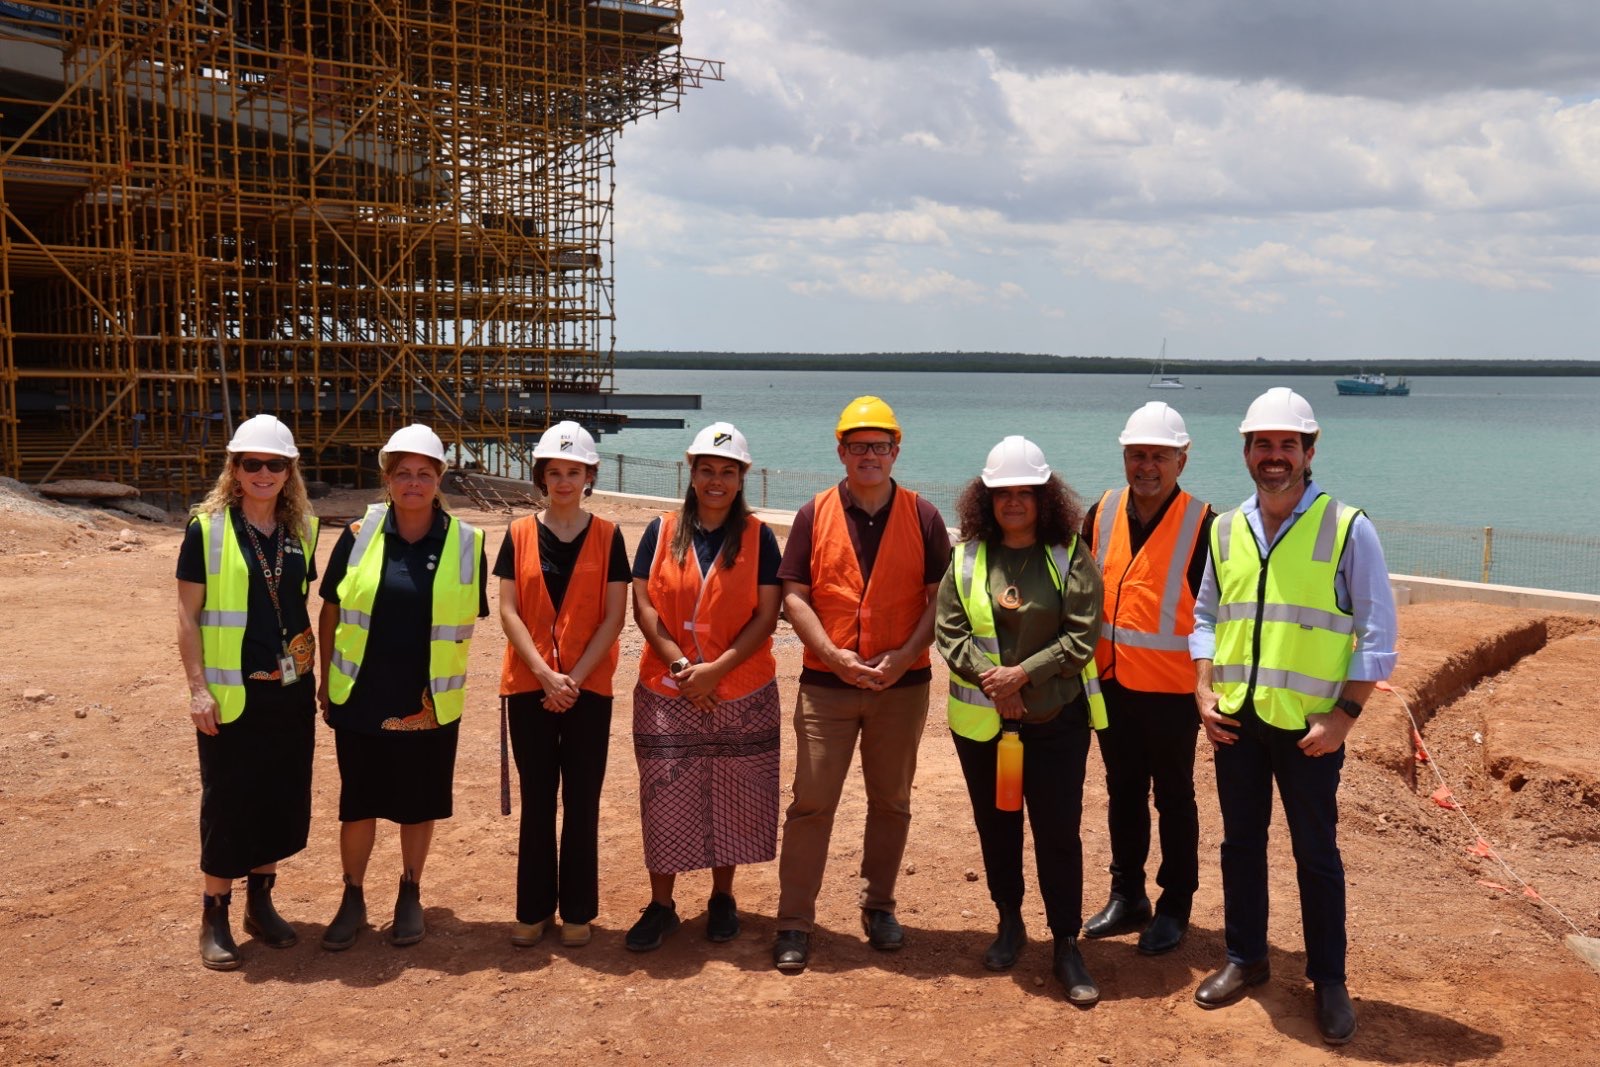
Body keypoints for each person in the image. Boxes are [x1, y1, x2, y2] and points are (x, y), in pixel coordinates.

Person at [1189, 388, 1397, 1045]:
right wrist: (1203, 689)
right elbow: (1205, 616)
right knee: (1240, 845)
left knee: (1316, 853)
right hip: (1237, 721)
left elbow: (1377, 633)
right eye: (1262, 444)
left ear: (1309, 451)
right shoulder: (1226, 529)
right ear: (1246, 451)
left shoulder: (1348, 528)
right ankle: (1246, 957)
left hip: (1310, 728)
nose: (1273, 456)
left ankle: (1328, 979)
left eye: (1287, 444)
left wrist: (1344, 716)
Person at [772, 396, 950, 973]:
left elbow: (939, 601)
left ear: (896, 450)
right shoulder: (813, 514)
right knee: (811, 803)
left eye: (879, 445)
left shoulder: (924, 516)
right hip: (827, 687)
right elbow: (794, 595)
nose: (869, 455)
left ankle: (879, 906)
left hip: (902, 687)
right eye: (858, 446)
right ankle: (794, 920)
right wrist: (831, 654)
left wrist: (904, 657)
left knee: (891, 801)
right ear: (841, 451)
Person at [936, 436, 1108, 1006]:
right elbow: (950, 632)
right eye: (1002, 492)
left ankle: (1066, 943)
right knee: (998, 824)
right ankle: (1009, 922)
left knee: (1057, 831)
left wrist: (1021, 677)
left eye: (1025, 492)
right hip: (986, 728)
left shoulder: (1068, 555)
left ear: (1044, 498)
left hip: (1055, 723)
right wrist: (996, 683)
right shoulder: (966, 557)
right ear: (985, 499)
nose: (1013, 502)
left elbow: (1081, 636)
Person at [315, 423, 487, 950]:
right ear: (387, 479)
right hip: (360, 692)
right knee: (358, 803)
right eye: (403, 473)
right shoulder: (357, 535)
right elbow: (331, 609)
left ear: (440, 480)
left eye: (424, 474)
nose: (414, 483)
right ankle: (352, 896)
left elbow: (463, 621)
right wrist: (325, 678)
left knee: (418, 803)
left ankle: (410, 892)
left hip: (428, 699)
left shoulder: (466, 543)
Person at [626, 422, 782, 951]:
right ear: (691, 474)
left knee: (732, 793)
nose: (717, 481)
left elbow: (766, 615)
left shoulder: (759, 537)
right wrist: (680, 666)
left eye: (728, 472)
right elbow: (643, 603)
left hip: (739, 688)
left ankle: (722, 897)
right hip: (667, 688)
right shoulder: (660, 530)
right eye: (707, 470)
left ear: (741, 478)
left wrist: (716, 671)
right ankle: (662, 905)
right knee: (665, 795)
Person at [177, 414, 320, 970]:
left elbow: (296, 608)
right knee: (228, 802)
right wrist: (198, 690)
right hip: (232, 696)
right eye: (252, 463)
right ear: (234, 470)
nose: (264, 473)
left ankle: (260, 905)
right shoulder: (207, 530)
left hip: (288, 692)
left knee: (280, 796)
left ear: (289, 471)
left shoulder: (302, 531)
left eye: (274, 464)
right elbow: (187, 617)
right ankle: (214, 913)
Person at [1081, 402, 1213, 955]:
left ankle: (1175, 904)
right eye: (1137, 454)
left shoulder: (1205, 525)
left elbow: (1213, 616)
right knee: (1123, 792)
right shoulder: (1101, 512)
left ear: (1182, 459)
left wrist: (1209, 686)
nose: (1147, 466)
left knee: (1174, 798)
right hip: (1110, 685)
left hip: (1172, 693)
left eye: (1160, 455)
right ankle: (1128, 895)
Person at [496, 421, 629, 949]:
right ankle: (532, 910)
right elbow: (508, 611)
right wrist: (545, 675)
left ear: (589, 475)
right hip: (529, 686)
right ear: (542, 477)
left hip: (587, 689)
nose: (565, 481)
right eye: (555, 472)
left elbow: (614, 616)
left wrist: (571, 678)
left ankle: (577, 910)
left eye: (574, 471)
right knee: (537, 800)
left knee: (581, 801)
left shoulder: (610, 536)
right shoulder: (518, 534)